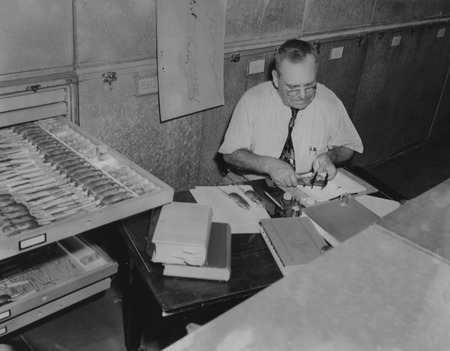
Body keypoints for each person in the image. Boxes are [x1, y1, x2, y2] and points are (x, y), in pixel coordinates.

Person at [218, 39, 363, 188]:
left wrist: (330, 157)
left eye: (309, 85)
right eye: (293, 88)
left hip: (304, 186)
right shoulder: (252, 101)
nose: (302, 95)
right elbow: (230, 154)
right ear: (276, 78)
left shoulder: (330, 102)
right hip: (249, 183)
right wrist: (269, 165)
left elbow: (349, 145)